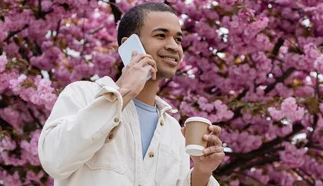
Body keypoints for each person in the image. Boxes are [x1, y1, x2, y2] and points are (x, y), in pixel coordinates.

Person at [37, 2, 224, 186]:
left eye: (178, 39)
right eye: (161, 35)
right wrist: (124, 91)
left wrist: (202, 171)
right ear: (130, 45)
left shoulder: (173, 130)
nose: (174, 47)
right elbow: (54, 161)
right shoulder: (83, 95)